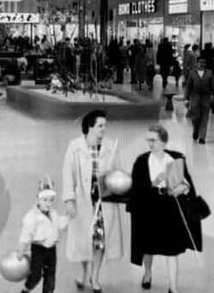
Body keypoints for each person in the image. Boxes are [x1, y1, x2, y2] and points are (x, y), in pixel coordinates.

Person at [129, 125, 201, 293]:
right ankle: (147, 273)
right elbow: (136, 188)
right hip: (149, 206)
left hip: (169, 206)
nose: (150, 144)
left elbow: (186, 183)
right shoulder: (141, 161)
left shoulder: (174, 159)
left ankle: (173, 287)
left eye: (153, 140)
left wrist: (182, 188)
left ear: (163, 141)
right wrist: (152, 183)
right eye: (148, 140)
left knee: (172, 249)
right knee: (147, 246)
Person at [61, 110, 123, 293]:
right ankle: (83, 272)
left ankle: (95, 276)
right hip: (83, 202)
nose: (104, 129)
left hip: (104, 203)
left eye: (105, 125)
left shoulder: (111, 147)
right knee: (83, 239)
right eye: (100, 126)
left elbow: (118, 172)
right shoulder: (75, 147)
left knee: (100, 241)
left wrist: (117, 184)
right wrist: (69, 200)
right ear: (90, 127)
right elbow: (67, 174)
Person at [16, 178, 70, 293]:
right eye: (45, 200)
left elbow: (60, 223)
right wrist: (22, 247)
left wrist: (68, 217)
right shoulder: (32, 216)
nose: (48, 203)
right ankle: (26, 289)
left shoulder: (54, 214)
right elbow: (27, 233)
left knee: (50, 276)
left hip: (51, 250)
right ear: (38, 200)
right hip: (38, 250)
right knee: (36, 275)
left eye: (51, 200)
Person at [184, 57, 214, 144]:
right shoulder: (192, 73)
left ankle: (202, 137)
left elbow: (213, 86)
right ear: (197, 63)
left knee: (205, 117)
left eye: (203, 62)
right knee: (195, 116)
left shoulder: (209, 73)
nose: (202, 64)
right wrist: (186, 99)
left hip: (206, 97)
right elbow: (188, 87)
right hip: (195, 96)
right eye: (200, 62)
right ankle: (195, 129)